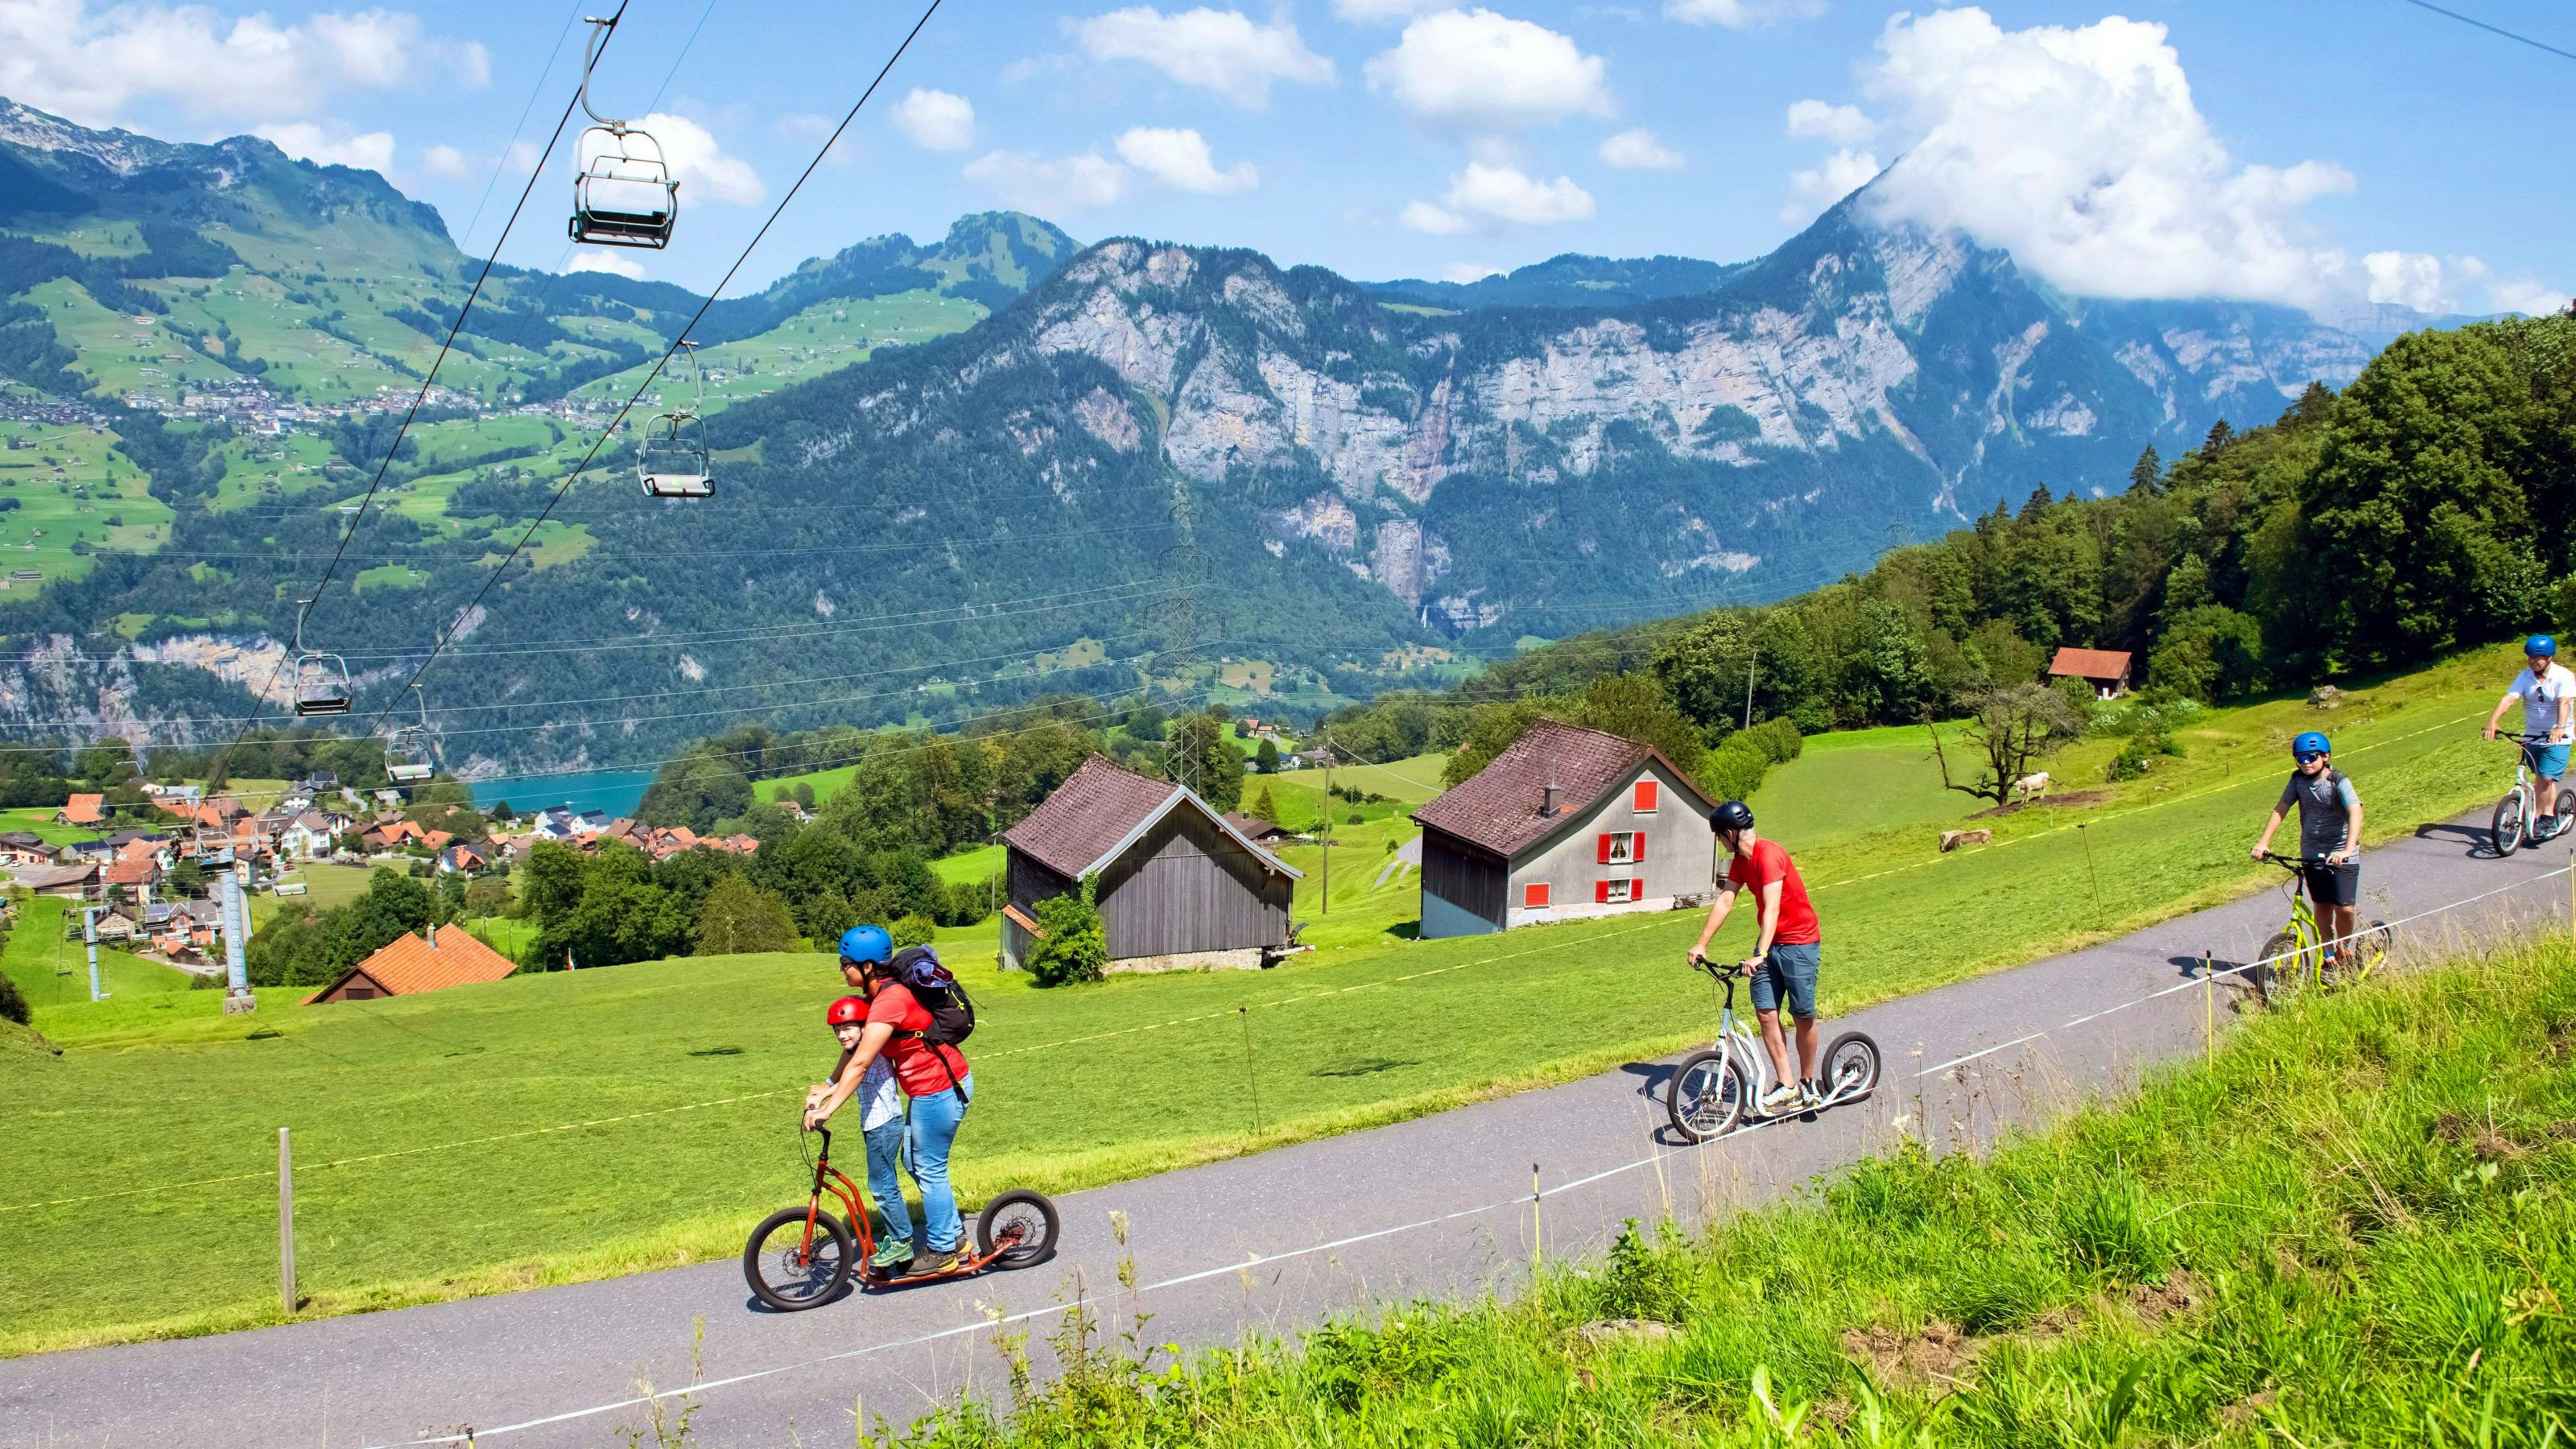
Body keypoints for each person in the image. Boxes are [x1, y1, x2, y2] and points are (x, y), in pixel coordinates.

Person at [807, 927, 975, 1274]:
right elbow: (855, 1050)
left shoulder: (890, 1000)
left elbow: (862, 1061)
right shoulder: (877, 998)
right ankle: (955, 1237)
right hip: (928, 1090)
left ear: (868, 967)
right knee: (915, 1163)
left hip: (942, 1088)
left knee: (929, 1168)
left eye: (846, 963)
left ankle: (943, 1251)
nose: (842, 970)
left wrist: (829, 1108)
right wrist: (827, 1085)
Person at [1686, 799, 1823, 1111]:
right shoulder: (1741, 862)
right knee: (1765, 1012)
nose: (1720, 842)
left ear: (1731, 833)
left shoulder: (1769, 855)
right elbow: (1726, 900)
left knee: (1802, 1016)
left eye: (1720, 836)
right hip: (1770, 946)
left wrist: (1760, 952)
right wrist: (1702, 943)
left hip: (1799, 943)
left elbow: (1772, 907)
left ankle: (1807, 1082)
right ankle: (1787, 1085)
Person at [806, 993, 911, 1272]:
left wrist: (826, 1108)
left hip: (884, 1125)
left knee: (882, 1185)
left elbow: (854, 1078)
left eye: (847, 1028)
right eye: (837, 1030)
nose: (841, 1035)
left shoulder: (869, 1052)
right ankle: (895, 1238)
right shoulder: (855, 1048)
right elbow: (845, 1067)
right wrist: (825, 1088)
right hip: (874, 1123)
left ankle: (903, 1240)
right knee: (881, 1182)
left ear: (865, 1027)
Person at [2252, 731, 2364, 968]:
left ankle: (2345, 949)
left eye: (2311, 757)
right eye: (2300, 758)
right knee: (2321, 905)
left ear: (2326, 756)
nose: (2306, 763)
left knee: (2344, 907)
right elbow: (2281, 808)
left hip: (2341, 851)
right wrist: (2264, 842)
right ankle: (2328, 953)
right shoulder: (2297, 781)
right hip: (2312, 851)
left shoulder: (2337, 781)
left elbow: (2356, 811)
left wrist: (2347, 849)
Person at [2483, 634, 2575, 838]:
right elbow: (2509, 699)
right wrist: (2493, 721)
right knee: (2543, 780)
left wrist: (2560, 727)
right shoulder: (2524, 677)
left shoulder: (2564, 676)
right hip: (2533, 735)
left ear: (2550, 657)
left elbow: (2564, 702)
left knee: (2545, 778)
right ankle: (2548, 816)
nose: (2533, 661)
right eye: (2530, 657)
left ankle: (2542, 820)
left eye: (2538, 657)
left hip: (2558, 737)